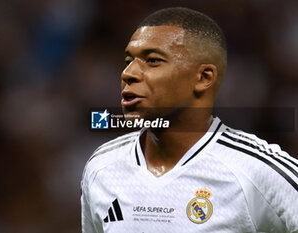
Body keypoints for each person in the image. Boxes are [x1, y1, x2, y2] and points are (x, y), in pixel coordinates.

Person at [81, 7, 298, 233]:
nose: (129, 73)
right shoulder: (102, 168)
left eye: (153, 60)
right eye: (129, 60)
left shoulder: (256, 171)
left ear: (204, 78)